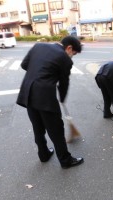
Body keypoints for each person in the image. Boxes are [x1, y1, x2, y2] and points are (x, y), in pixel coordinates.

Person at [16, 36, 84, 169]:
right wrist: (62, 98)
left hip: (27, 93)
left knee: (38, 127)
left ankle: (44, 154)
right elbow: (63, 83)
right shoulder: (65, 59)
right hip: (44, 96)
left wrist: (38, 72)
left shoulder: (39, 46)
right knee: (56, 130)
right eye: (74, 54)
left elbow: (24, 65)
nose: (72, 57)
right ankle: (65, 160)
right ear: (69, 48)